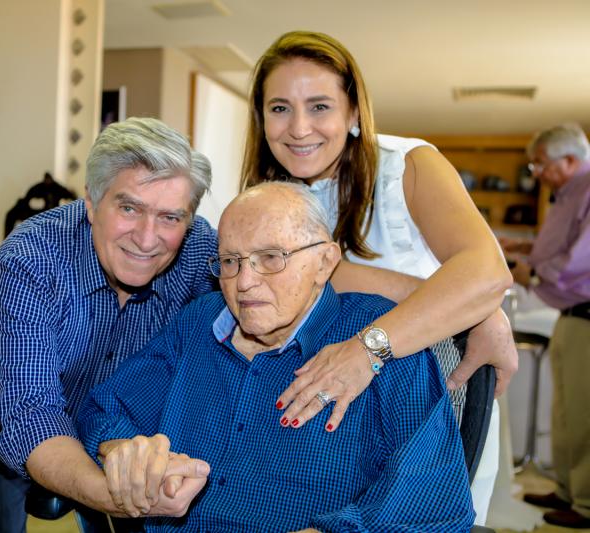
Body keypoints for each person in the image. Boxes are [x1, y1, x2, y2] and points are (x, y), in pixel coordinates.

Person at [77, 182, 476, 532]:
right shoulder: (198, 322)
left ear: (324, 262)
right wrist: (125, 452)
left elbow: (432, 507)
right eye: (230, 261)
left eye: (271, 258)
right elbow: (102, 410)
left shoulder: (382, 341)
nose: (244, 282)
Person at [239, 31, 517, 522]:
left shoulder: (408, 166)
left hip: (424, 418)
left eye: (320, 106)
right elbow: (313, 281)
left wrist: (368, 349)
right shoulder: (267, 198)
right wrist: (474, 310)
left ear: (353, 114)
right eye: (280, 108)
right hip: (322, 427)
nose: (299, 128)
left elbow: (486, 271)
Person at [0, 117, 217, 532]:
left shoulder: (200, 250)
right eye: (129, 208)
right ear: (91, 202)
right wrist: (121, 499)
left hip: (104, 412)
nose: (147, 239)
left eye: (169, 218)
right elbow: (31, 413)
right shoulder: (29, 263)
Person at [499, 123, 590, 529]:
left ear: (569, 160)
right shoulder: (569, 194)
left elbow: (579, 258)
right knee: (566, 412)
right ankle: (568, 490)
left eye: (541, 164)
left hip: (585, 315)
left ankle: (586, 504)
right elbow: (563, 245)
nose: (536, 173)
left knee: (584, 415)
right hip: (571, 316)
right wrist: (525, 248)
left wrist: (532, 274)